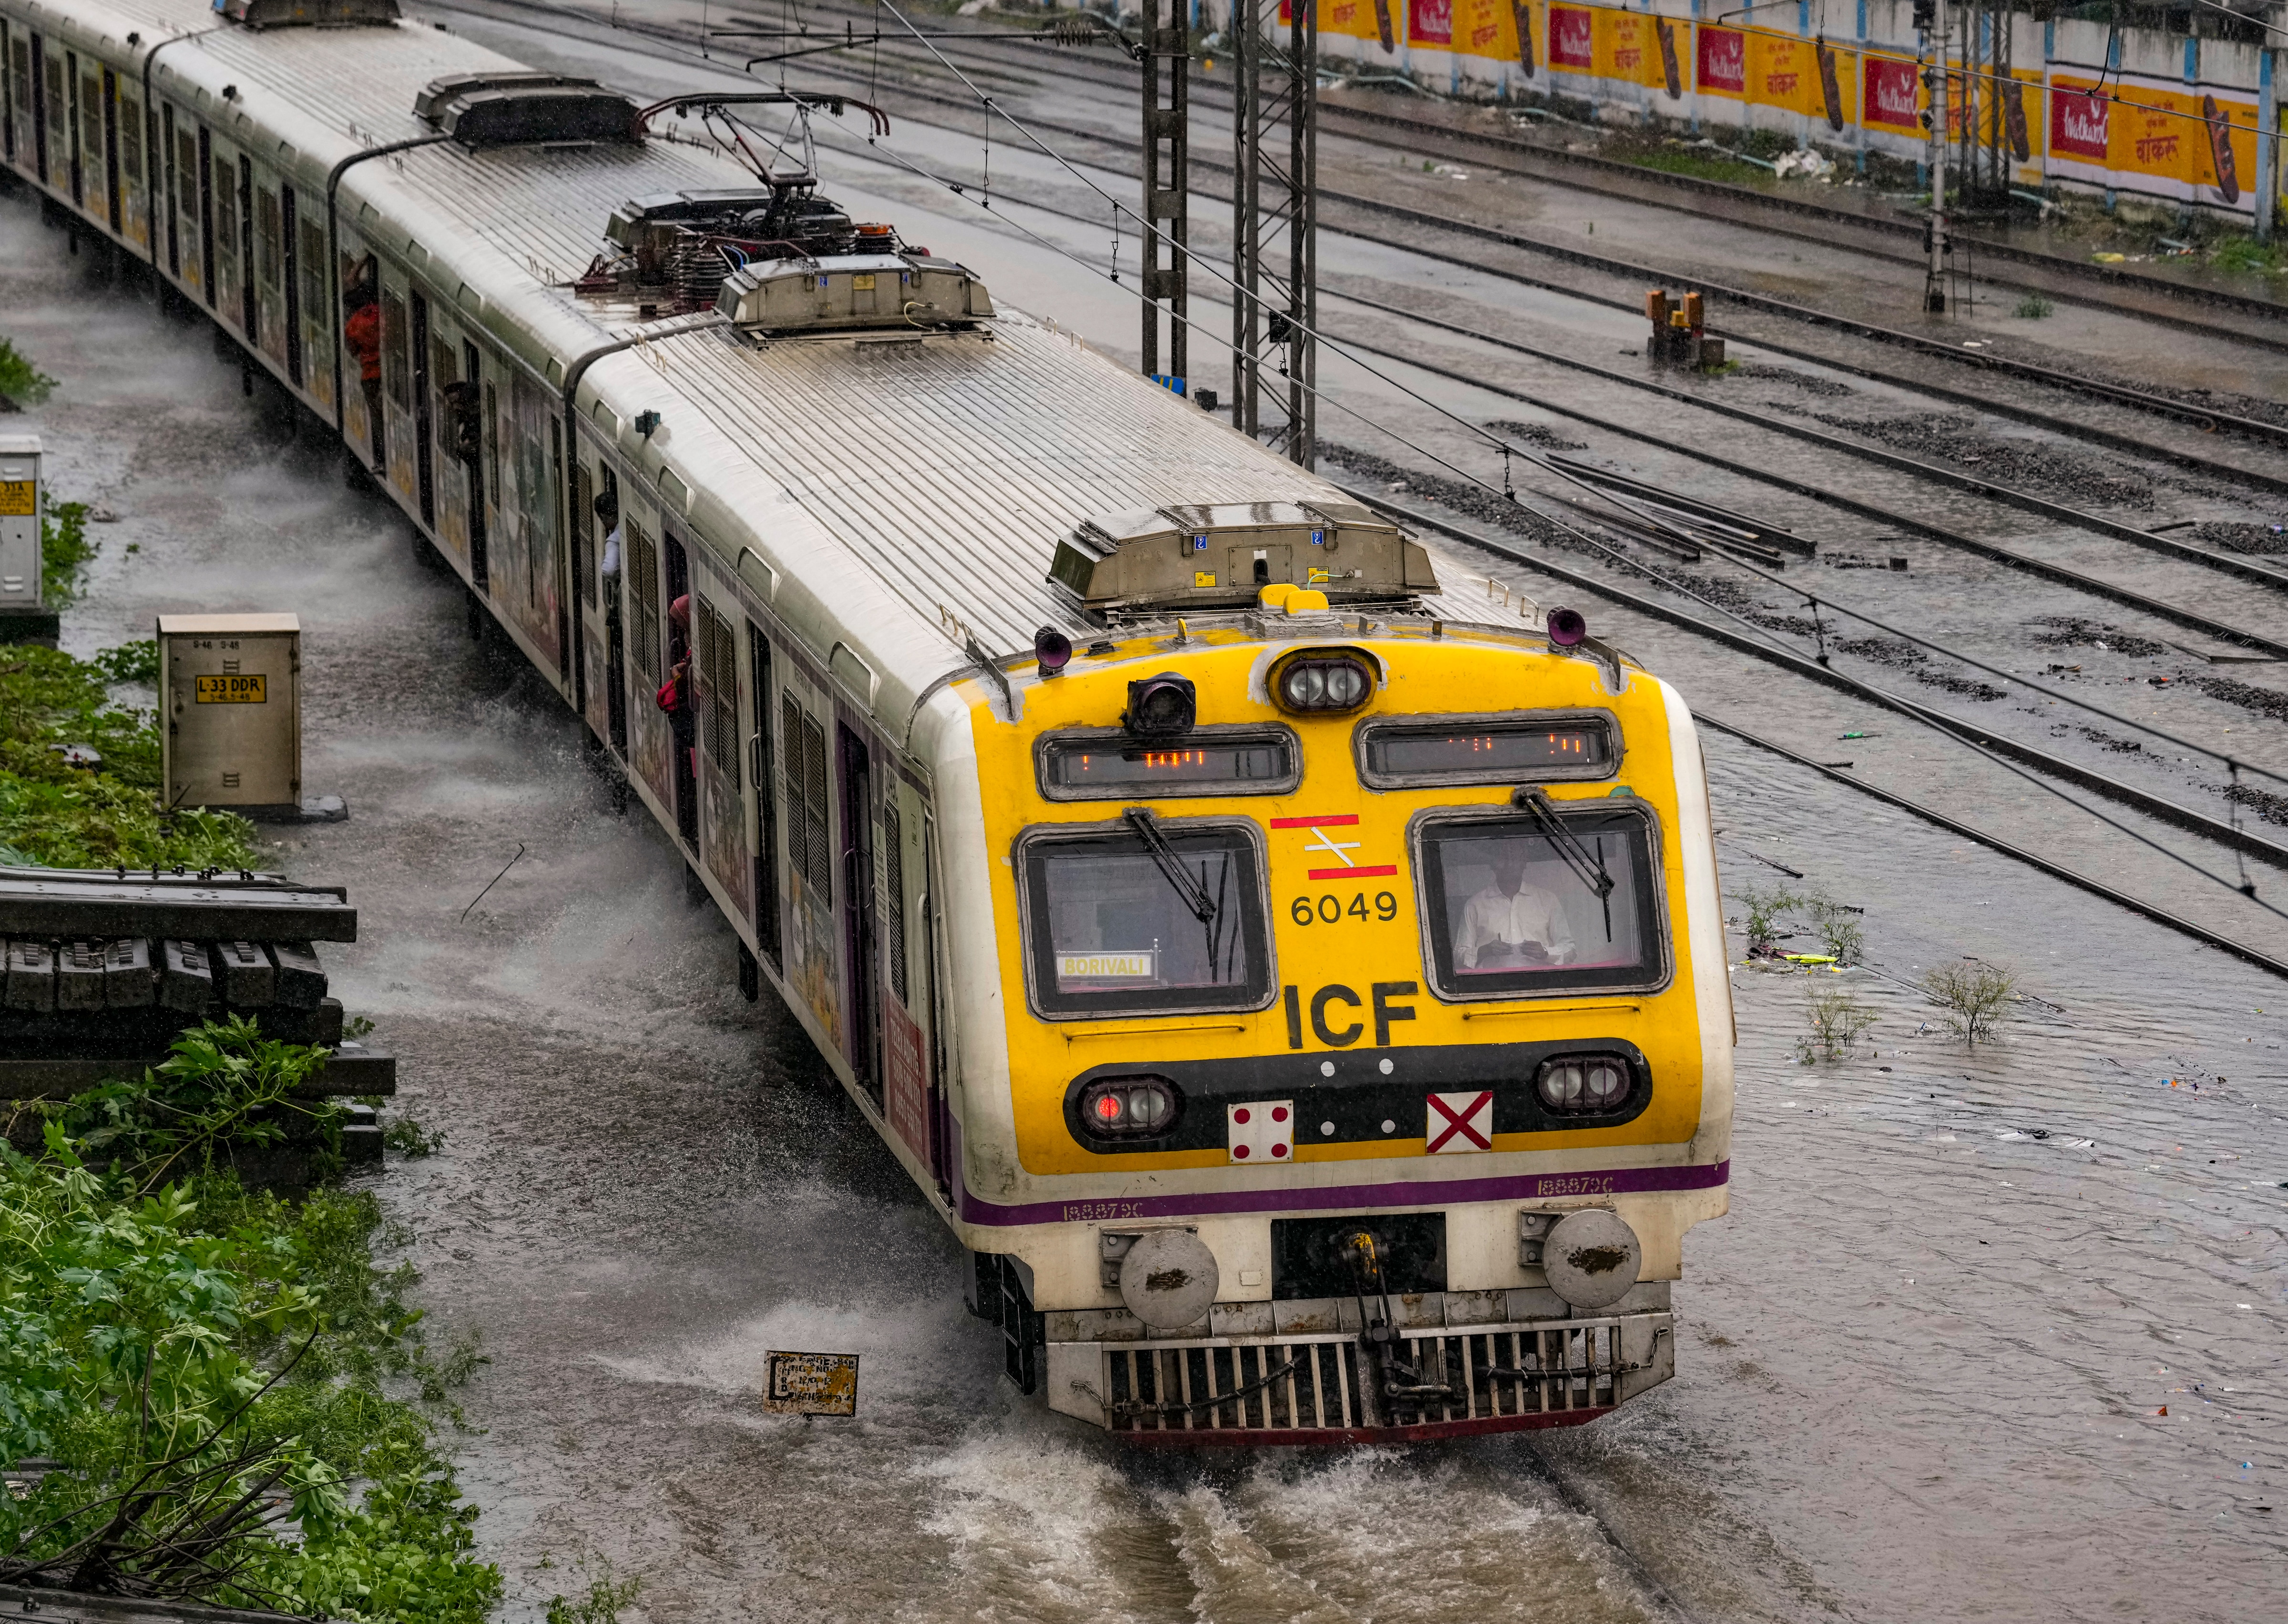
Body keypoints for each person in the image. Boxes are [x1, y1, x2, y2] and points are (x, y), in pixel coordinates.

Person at [1453, 849, 1575, 970]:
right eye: (1503, 858)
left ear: (1524, 863)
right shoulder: (1475, 904)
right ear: (1493, 864)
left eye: (1515, 858)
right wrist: (1485, 951)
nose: (1510, 864)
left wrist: (1545, 952)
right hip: (1492, 982)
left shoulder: (1548, 900)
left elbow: (1570, 950)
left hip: (1539, 981)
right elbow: (1458, 956)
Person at [342, 269, 384, 474]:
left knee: (377, 419)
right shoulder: (382, 314)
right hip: (389, 373)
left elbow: (353, 351)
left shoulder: (353, 325)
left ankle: (381, 459)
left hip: (371, 375)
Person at [657, 593, 697, 779]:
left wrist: (676, 675)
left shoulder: (694, 647)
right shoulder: (693, 644)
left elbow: (685, 687)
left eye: (683, 623)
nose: (681, 629)